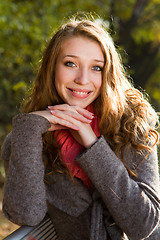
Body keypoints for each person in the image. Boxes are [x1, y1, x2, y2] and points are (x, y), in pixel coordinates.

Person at [1, 15, 160, 240]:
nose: (83, 79)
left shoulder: (133, 125)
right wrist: (29, 129)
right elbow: (26, 214)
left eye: (96, 67)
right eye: (70, 64)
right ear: (52, 68)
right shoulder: (28, 136)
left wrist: (93, 144)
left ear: (107, 74)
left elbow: (143, 225)